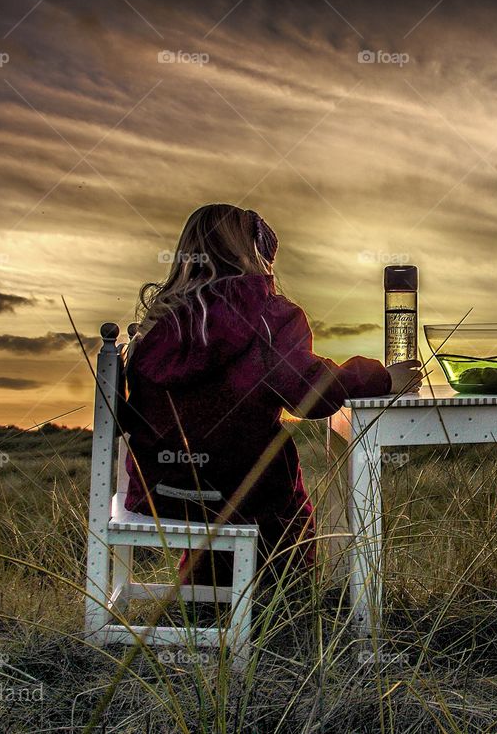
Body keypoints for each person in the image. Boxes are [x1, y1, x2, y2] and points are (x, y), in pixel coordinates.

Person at [120, 204, 421, 585]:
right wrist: (381, 378)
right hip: (244, 496)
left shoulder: (158, 322)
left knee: (225, 478)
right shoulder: (270, 316)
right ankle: (279, 603)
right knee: (283, 506)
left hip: (159, 492)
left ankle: (208, 596)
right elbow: (308, 393)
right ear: (257, 251)